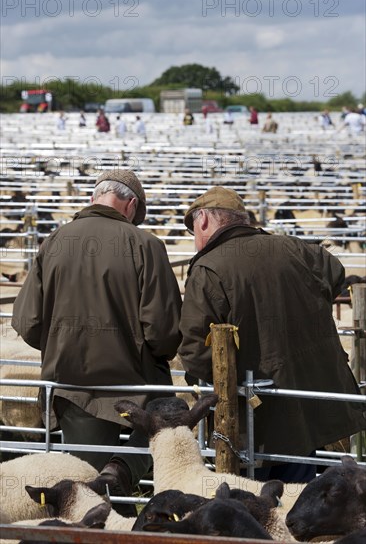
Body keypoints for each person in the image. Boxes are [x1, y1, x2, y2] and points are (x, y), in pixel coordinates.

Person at [12, 169, 182, 515]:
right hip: (136, 385)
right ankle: (123, 470)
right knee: (172, 416)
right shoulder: (146, 245)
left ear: (94, 197)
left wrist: (61, 347)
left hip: (72, 388)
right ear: (132, 205)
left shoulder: (55, 241)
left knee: (88, 492)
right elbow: (164, 333)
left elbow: (27, 322)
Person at [178, 186, 366, 483]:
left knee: (254, 498)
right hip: (305, 402)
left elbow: (195, 350)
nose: (195, 243)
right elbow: (336, 273)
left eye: (193, 233)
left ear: (203, 221)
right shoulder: (298, 248)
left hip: (254, 417)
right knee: (300, 493)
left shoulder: (209, 269)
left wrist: (218, 388)